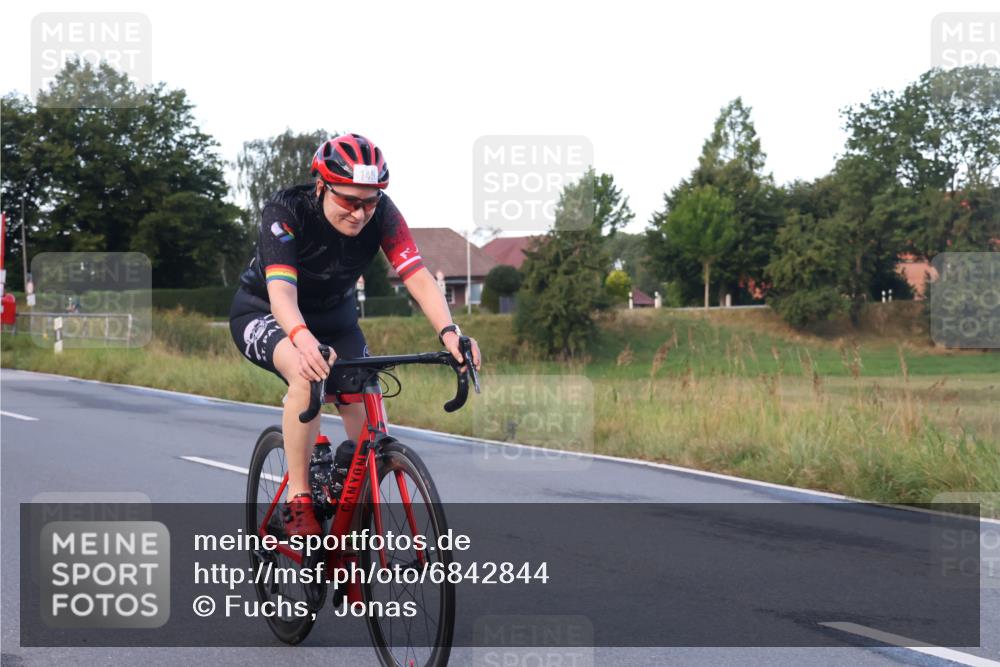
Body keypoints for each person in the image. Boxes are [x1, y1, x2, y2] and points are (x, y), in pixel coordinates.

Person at [229, 133, 481, 536]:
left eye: (370, 201)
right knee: (307, 373)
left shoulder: (383, 214)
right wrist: (302, 339)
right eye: (348, 201)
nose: (360, 213)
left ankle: (345, 497)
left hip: (337, 321)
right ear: (321, 186)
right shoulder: (286, 211)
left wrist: (450, 333)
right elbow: (282, 294)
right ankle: (299, 499)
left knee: (366, 402)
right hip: (267, 311)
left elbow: (416, 275)